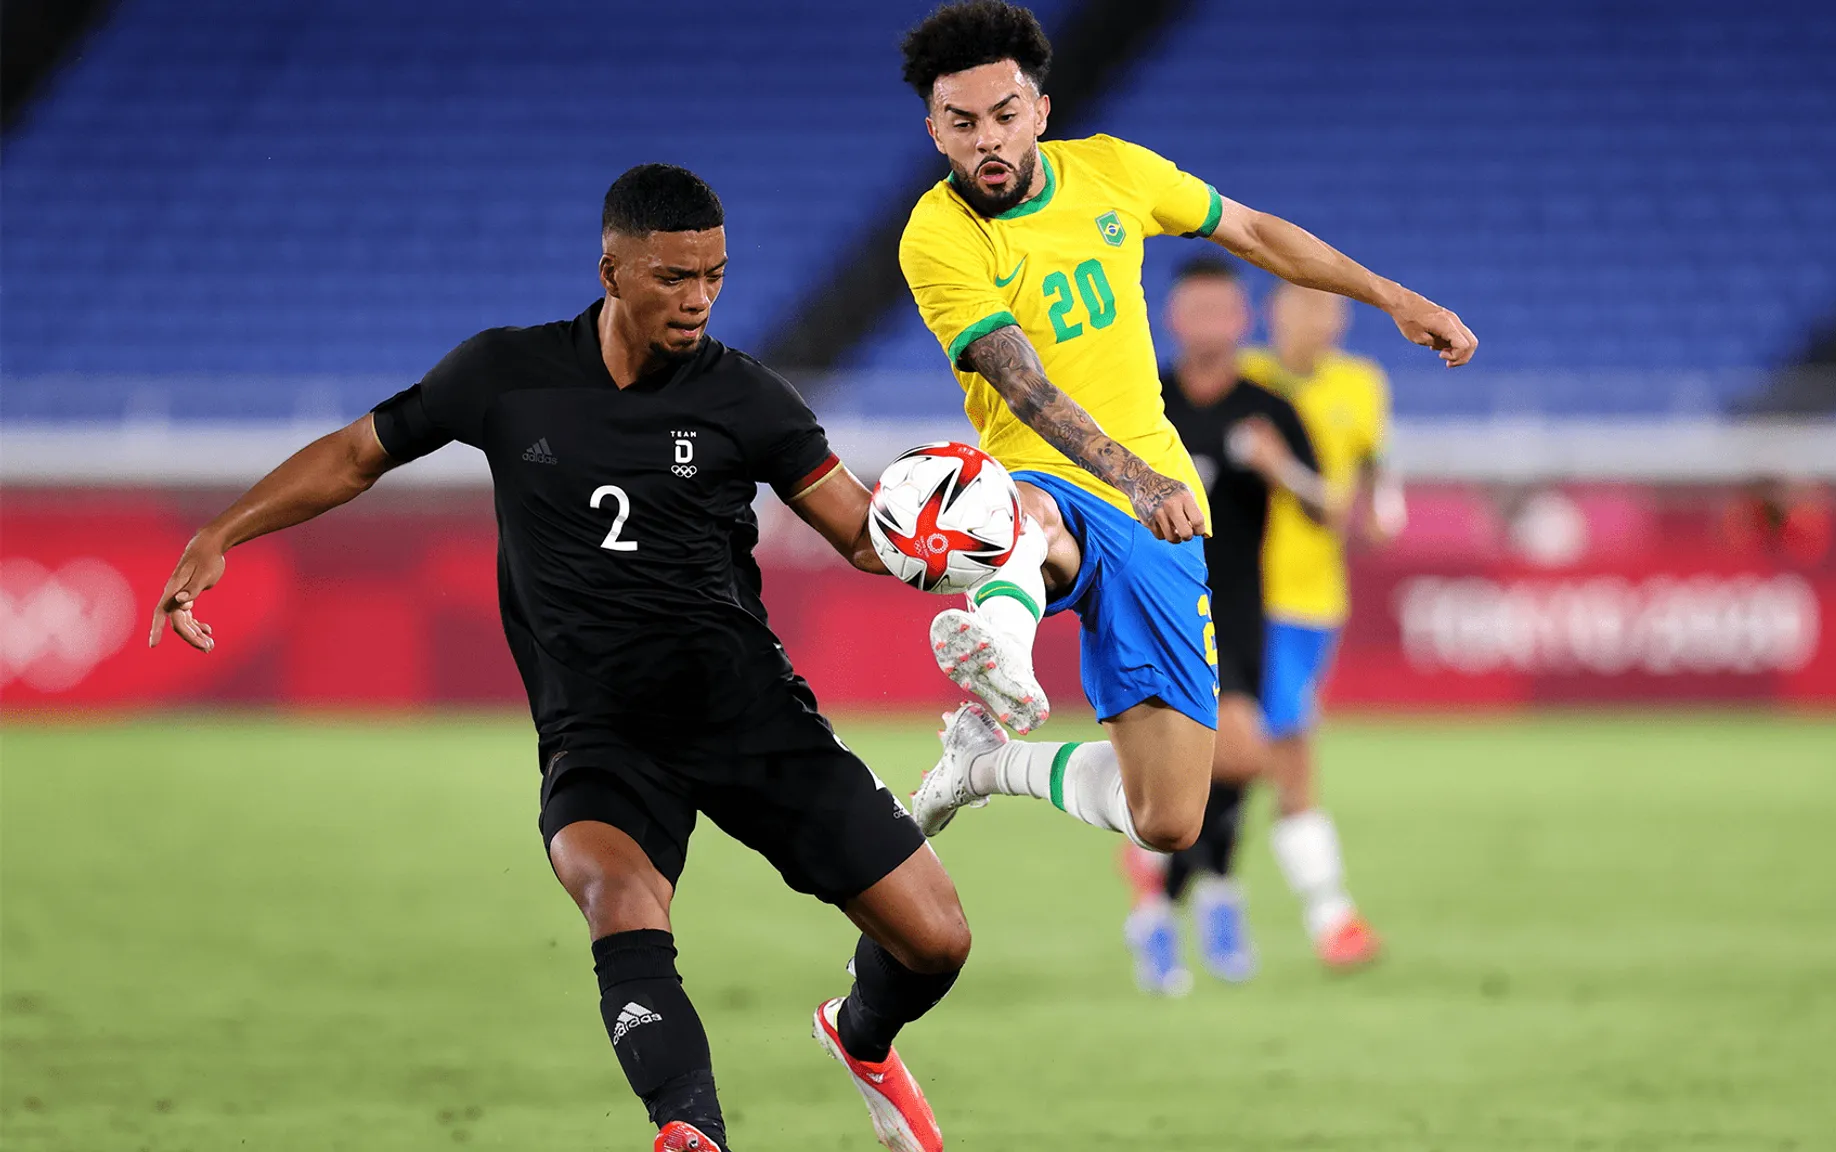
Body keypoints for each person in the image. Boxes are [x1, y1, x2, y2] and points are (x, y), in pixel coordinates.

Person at [149, 165, 961, 1152]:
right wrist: (222, 533)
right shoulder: (504, 375)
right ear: (610, 270)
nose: (698, 297)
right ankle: (688, 1131)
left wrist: (953, 544)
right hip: (600, 728)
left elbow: (859, 534)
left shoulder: (747, 398)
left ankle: (859, 1035)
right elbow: (359, 451)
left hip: (747, 712)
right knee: (614, 894)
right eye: (671, 276)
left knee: (934, 940)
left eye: (714, 274)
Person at [893, 1, 1477, 866]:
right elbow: (1022, 384)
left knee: (1167, 817)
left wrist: (1394, 297)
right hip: (1049, 481)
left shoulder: (1113, 173)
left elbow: (1249, 230)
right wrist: (1132, 480)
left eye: (1005, 116)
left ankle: (985, 762)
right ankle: (1002, 654)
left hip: (1157, 507)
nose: (988, 141)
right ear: (934, 129)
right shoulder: (937, 232)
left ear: (1040, 114)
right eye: (963, 122)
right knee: (1021, 511)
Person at [1118, 257, 1326, 995]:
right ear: (1173, 320)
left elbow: (1326, 507)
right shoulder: (1144, 404)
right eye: (1195, 311)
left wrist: (1280, 469)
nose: (1209, 325)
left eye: (1222, 311)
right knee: (1180, 780)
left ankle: (1176, 902)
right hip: (1152, 608)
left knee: (1237, 758)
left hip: (1236, 609)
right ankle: (1196, 903)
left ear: (1243, 321)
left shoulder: (1267, 406)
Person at [1239, 282, 1403, 969]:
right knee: (1291, 753)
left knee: (1251, 757)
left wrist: (1381, 506)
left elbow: (1373, 480)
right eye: (1307, 308)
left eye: (1332, 310)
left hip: (1318, 604)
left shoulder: (1362, 384)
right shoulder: (1244, 383)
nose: (1323, 321)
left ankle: (1153, 849)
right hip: (1253, 599)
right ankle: (1333, 919)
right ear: (1276, 314)